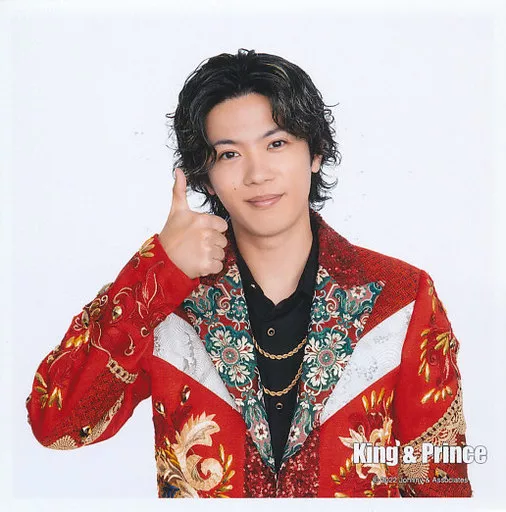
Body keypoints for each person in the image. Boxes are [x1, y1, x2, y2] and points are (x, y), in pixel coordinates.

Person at [26, 48, 472, 498]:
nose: (257, 174)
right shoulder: (165, 297)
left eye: (276, 144)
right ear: (204, 176)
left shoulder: (401, 298)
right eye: (229, 154)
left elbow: (441, 483)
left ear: (315, 153)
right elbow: (56, 424)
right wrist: (157, 270)